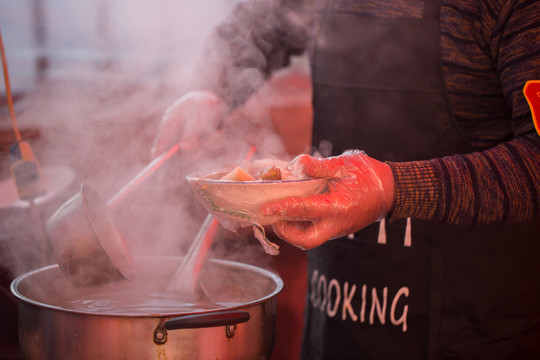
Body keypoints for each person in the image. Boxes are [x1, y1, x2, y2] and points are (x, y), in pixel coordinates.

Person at [153, 0, 540, 358]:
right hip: (335, 316)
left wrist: (392, 189)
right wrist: (212, 87)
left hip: (468, 330)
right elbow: (260, 20)